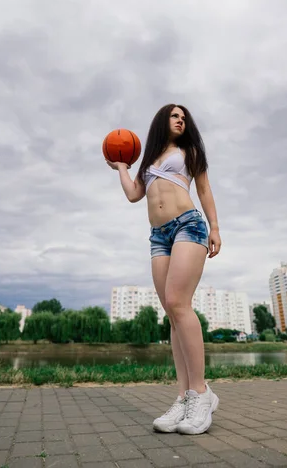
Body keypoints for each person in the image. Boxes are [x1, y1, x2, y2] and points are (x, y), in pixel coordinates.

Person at [106, 104, 222, 435]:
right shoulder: (149, 160)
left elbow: (203, 190)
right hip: (159, 237)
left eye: (184, 117)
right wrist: (121, 168)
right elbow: (133, 195)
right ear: (162, 121)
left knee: (178, 303)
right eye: (175, 116)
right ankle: (184, 397)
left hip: (188, 225)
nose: (181, 120)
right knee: (172, 314)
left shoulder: (190, 151)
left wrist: (214, 227)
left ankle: (201, 394)